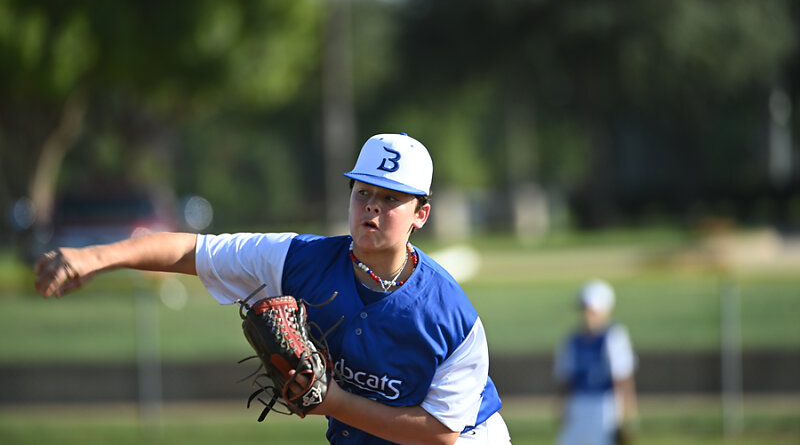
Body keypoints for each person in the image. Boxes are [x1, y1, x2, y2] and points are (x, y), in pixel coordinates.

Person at [35, 132, 512, 445]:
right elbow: (192, 251)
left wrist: (333, 402)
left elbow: (439, 434)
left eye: (390, 198)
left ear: (420, 214)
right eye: (363, 192)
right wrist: (96, 257)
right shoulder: (299, 260)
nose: (371, 207)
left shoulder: (450, 316)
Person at [553, 279, 638, 445]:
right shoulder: (573, 340)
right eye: (585, 310)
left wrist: (628, 415)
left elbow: (623, 378)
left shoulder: (614, 337)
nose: (587, 316)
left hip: (605, 404)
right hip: (578, 403)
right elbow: (566, 378)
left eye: (592, 311)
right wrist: (561, 407)